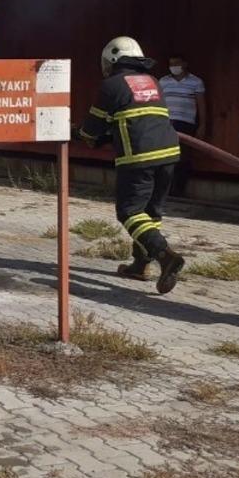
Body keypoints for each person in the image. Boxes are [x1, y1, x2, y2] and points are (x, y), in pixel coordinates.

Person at [77, 37, 184, 293]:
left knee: (129, 211)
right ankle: (140, 265)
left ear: (112, 60)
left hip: (138, 156)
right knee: (150, 213)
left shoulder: (112, 85)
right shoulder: (153, 81)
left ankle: (165, 255)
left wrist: (83, 134)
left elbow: (91, 130)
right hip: (169, 154)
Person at [159, 55, 207, 196]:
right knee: (166, 156)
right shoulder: (163, 81)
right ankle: (165, 189)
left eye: (176, 63)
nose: (173, 66)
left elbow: (201, 105)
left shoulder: (196, 82)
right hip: (166, 122)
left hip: (186, 123)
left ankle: (178, 189)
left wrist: (202, 125)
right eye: (171, 64)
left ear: (184, 64)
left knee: (183, 157)